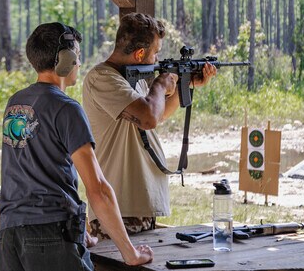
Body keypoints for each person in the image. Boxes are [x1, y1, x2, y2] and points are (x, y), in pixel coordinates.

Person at [0, 22, 153, 271]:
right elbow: (98, 189)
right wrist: (130, 253)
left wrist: (77, 233)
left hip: (9, 237)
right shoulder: (66, 108)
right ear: (65, 59)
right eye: (77, 56)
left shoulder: (16, 104)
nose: (79, 64)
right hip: (49, 237)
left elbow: (34, 171)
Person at [82, 13, 216, 240]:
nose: (157, 59)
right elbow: (148, 118)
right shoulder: (102, 78)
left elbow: (159, 113)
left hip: (140, 201)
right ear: (140, 53)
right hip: (119, 205)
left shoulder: (137, 80)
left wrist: (187, 82)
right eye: (155, 53)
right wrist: (161, 83)